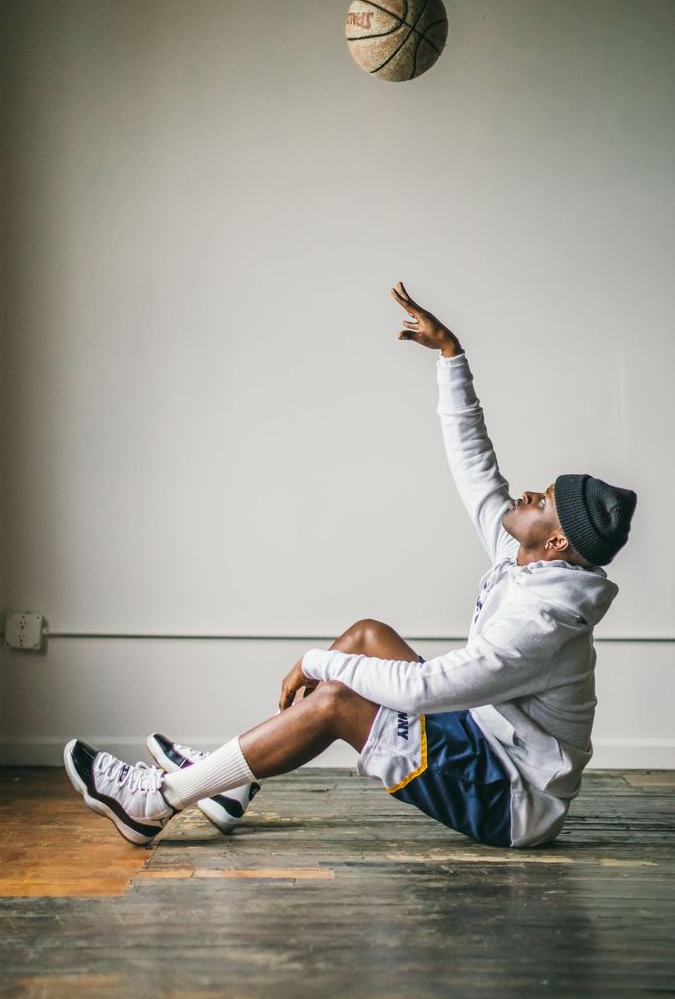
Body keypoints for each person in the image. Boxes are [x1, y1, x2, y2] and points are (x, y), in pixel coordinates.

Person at [64, 281, 637, 850]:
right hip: (481, 741)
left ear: (557, 542)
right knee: (367, 636)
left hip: (509, 797)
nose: (529, 495)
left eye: (542, 502)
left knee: (337, 699)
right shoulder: (527, 560)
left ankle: (155, 802)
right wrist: (450, 356)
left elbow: (423, 689)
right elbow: (476, 470)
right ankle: (229, 786)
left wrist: (318, 660)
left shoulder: (544, 619)